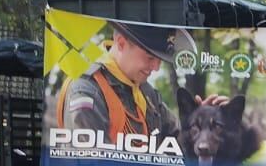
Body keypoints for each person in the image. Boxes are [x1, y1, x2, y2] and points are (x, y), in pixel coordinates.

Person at [58, 22, 193, 139]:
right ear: (121, 43)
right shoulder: (86, 91)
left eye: (160, 60)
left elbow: (178, 138)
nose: (156, 68)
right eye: (150, 58)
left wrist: (198, 118)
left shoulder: (145, 92)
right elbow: (92, 164)